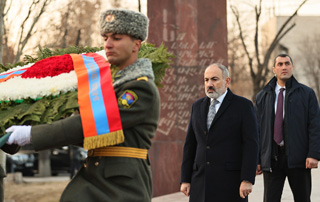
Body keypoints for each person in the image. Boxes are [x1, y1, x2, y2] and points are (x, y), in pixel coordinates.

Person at [4, 9, 160, 202]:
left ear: (137, 44)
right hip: (98, 179)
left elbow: (87, 127)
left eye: (117, 38)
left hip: (122, 187)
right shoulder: (111, 86)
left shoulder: (139, 89)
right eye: (105, 38)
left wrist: (30, 135)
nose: (108, 44)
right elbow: (90, 134)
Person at [180, 63, 259, 202]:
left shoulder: (243, 106)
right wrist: (185, 179)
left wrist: (247, 179)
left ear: (227, 81)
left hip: (230, 184)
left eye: (214, 79)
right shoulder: (197, 106)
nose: (209, 84)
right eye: (206, 80)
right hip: (201, 183)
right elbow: (190, 144)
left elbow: (251, 145)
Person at [255, 53, 320, 202]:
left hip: (299, 159)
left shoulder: (307, 94)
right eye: (280, 64)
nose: (284, 67)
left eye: (287, 64)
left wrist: (313, 154)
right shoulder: (262, 96)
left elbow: (315, 125)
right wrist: (257, 159)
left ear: (292, 67)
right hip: (272, 159)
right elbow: (257, 130)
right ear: (274, 69)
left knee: (303, 199)